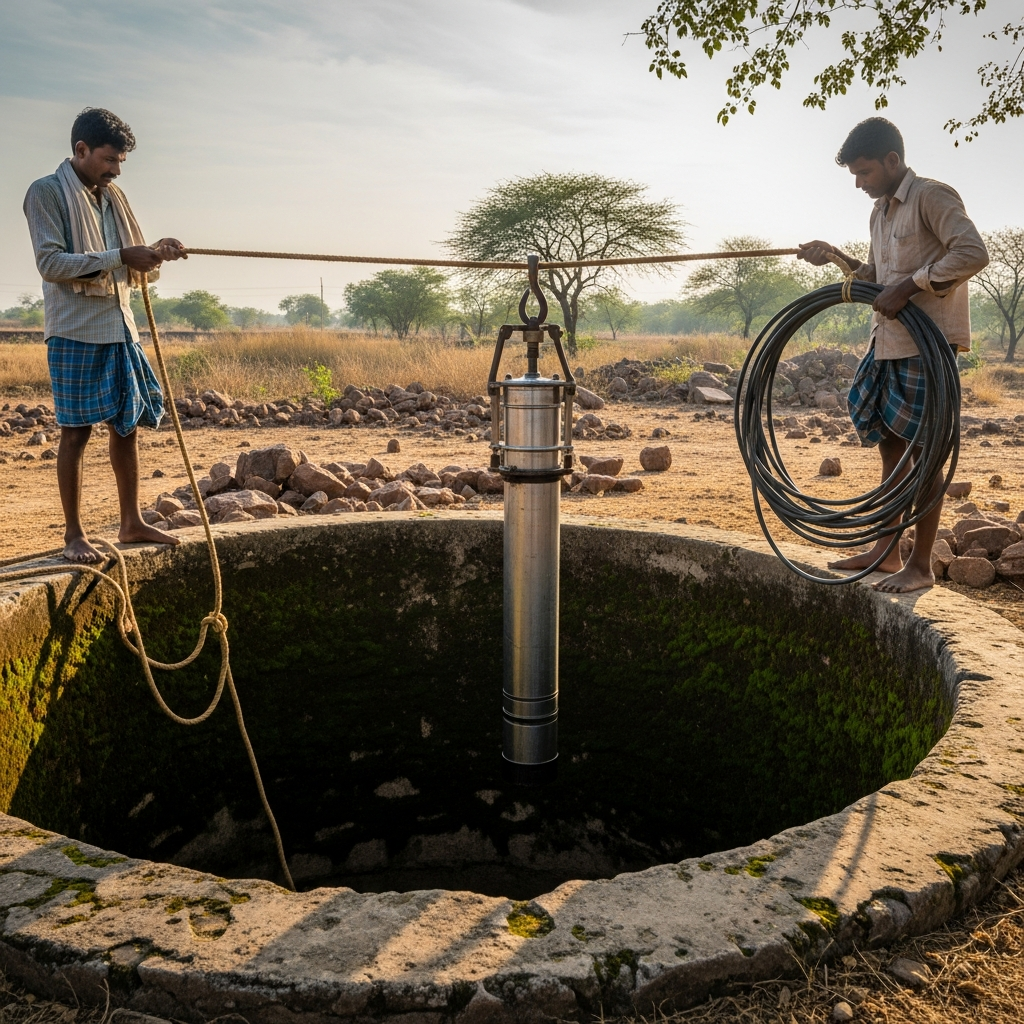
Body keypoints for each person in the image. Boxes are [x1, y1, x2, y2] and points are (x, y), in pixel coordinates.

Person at [798, 117, 988, 593]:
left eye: (865, 173)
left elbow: (972, 252)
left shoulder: (931, 196)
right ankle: (886, 552)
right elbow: (877, 277)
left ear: (892, 160)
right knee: (889, 442)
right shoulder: (880, 212)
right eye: (855, 177)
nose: (860, 184)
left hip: (928, 344)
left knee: (925, 453)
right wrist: (837, 257)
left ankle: (920, 565)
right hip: (889, 341)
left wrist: (911, 285)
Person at [23, 107, 187, 564]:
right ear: (81, 150)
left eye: (120, 163)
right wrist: (122, 256)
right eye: (109, 160)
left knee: (127, 426)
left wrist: (155, 252)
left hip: (120, 326)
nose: (115, 171)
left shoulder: (113, 198)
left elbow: (125, 256)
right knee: (75, 433)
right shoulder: (46, 192)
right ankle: (74, 535)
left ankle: (131, 522)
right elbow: (51, 263)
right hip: (75, 330)